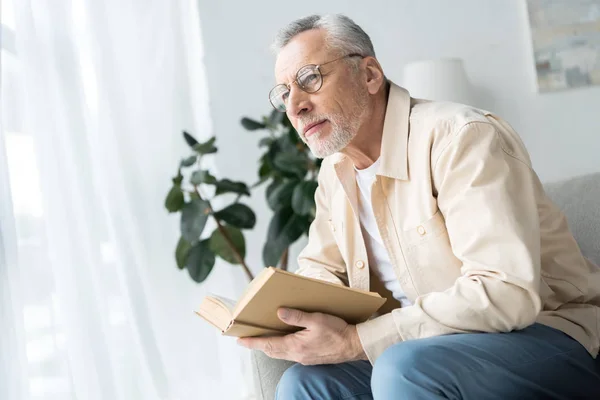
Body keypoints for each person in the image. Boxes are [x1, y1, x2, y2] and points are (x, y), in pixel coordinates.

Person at [237, 14, 600, 399]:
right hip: (423, 355)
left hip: (548, 339)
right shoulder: (334, 173)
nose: (296, 106)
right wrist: (289, 314)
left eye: (310, 78)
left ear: (370, 75)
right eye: (284, 93)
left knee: (402, 367)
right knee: (306, 383)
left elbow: (506, 293)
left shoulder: (461, 138)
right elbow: (322, 272)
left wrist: (358, 340)